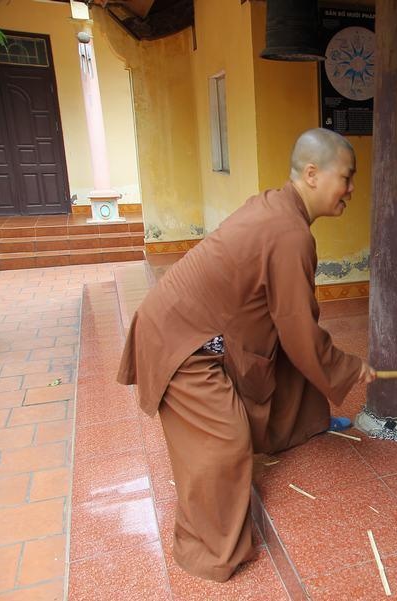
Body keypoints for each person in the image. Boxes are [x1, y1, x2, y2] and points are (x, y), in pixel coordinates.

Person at [117, 128, 376, 582]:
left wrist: (328, 360)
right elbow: (300, 330)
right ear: (312, 174)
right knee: (225, 444)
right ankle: (207, 551)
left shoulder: (279, 208)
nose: (352, 189)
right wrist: (350, 367)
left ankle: (302, 424)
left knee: (286, 360)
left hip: (201, 325)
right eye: (347, 177)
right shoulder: (289, 233)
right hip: (183, 340)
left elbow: (290, 322)